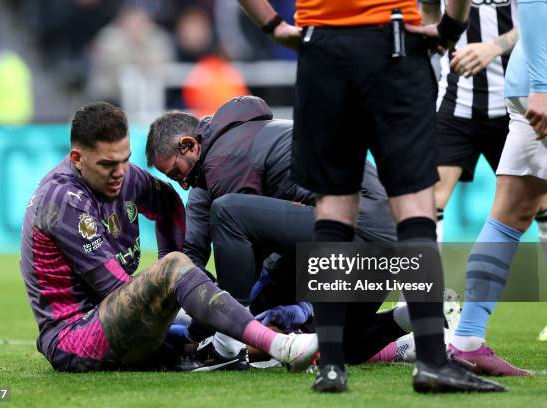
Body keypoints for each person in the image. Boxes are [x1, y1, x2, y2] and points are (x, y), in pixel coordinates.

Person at [237, 0, 505, 393]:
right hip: (393, 45)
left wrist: (275, 26)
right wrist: (451, 25)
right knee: (414, 209)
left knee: (332, 212)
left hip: (321, 49)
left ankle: (329, 366)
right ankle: (432, 360)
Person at [145, 96, 459, 368]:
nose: (182, 185)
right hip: (384, 242)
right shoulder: (236, 143)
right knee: (334, 344)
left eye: (177, 173)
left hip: (358, 229)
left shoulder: (224, 158)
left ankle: (227, 346)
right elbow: (201, 252)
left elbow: (249, 248)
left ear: (189, 145)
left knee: (228, 214)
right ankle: (412, 316)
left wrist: (213, 325)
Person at [19, 101, 319, 373]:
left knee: (210, 321)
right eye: (107, 165)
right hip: (75, 336)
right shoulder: (65, 201)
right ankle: (281, 346)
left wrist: (191, 293)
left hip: (118, 323)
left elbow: (169, 204)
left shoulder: (125, 177)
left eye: (124, 159)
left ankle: (299, 342)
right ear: (77, 158)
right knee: (184, 282)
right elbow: (112, 291)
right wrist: (179, 289)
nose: (120, 172)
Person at [446, 0, 547, 376]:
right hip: (540, 85)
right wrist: (543, 86)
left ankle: (467, 339)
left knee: (512, 213)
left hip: (530, 81)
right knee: (510, 213)